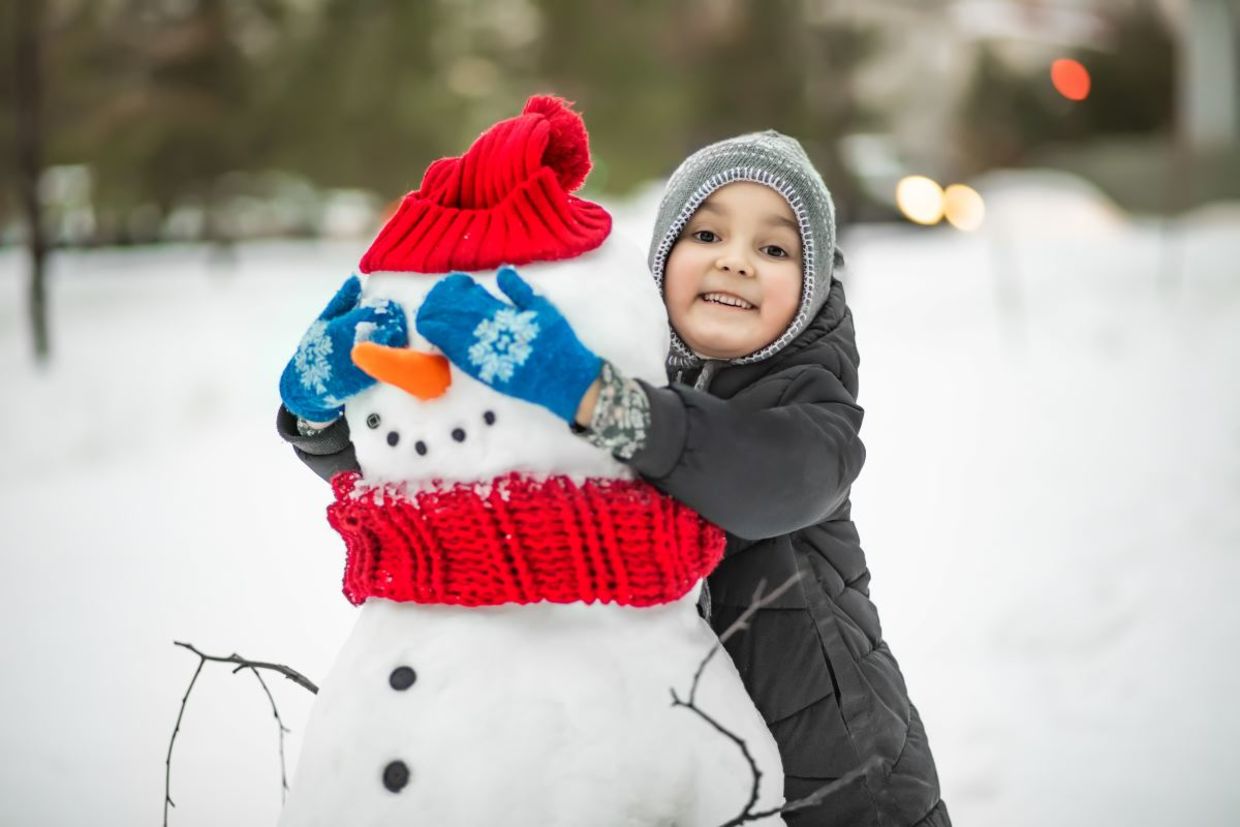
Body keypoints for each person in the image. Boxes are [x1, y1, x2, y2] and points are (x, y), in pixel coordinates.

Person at [278, 130, 949, 826]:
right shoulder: (635, 380)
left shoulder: (814, 410)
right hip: (675, 758)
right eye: (707, 234)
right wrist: (319, 414)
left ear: (811, 290)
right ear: (659, 263)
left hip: (843, 782)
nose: (736, 262)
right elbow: (461, 475)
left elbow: (756, 479)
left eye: (774, 249)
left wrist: (593, 396)